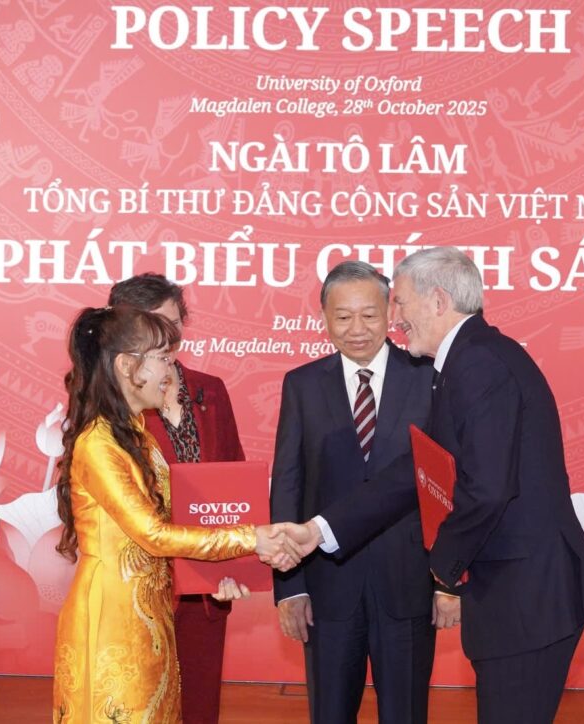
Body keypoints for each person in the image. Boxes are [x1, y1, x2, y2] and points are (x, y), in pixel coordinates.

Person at [289, 248, 584, 723]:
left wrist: (439, 567)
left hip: (528, 598)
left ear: (438, 301)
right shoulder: (466, 361)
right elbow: (415, 471)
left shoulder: (478, 363)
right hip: (516, 594)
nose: (395, 318)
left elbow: (488, 489)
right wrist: (320, 530)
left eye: (400, 302)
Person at [51, 305, 297, 724]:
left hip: (151, 613)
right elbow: (153, 534)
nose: (172, 370)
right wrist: (250, 538)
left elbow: (176, 524)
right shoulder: (100, 444)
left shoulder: (137, 436)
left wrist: (218, 575)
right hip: (113, 617)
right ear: (127, 366)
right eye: (164, 359)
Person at [270, 261, 448, 724]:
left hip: (409, 582)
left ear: (390, 313)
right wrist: (289, 588)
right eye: (343, 316)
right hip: (327, 588)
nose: (356, 329)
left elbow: (444, 487)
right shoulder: (302, 385)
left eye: (369, 315)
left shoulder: (428, 377)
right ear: (323, 317)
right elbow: (288, 484)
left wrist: (447, 581)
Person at [109, 273, 244, 724]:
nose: (165, 339)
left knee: (198, 705)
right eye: (150, 326)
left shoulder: (211, 390)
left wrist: (234, 561)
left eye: (172, 324)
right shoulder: (109, 404)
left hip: (206, 585)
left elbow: (234, 483)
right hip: (138, 585)